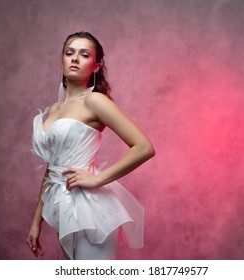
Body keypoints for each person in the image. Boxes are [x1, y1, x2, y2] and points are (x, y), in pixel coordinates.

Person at [26, 31, 155, 260]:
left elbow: (144, 147)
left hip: (90, 208)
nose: (75, 58)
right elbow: (52, 168)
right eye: (69, 52)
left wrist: (97, 178)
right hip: (62, 207)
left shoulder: (94, 101)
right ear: (62, 59)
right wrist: (36, 222)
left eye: (84, 55)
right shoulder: (55, 109)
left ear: (95, 66)